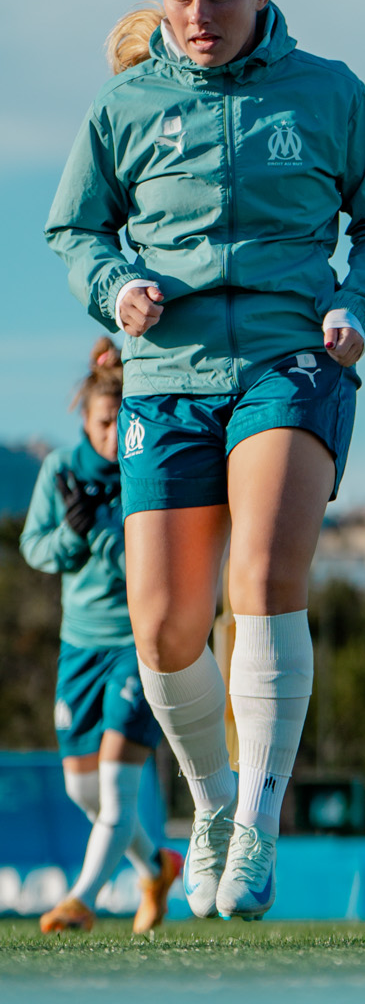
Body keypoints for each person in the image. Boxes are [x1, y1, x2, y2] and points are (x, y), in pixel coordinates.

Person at [47, 0, 365, 921]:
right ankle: (212, 801)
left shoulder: (328, 91)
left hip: (290, 361)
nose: (198, 16)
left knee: (260, 572)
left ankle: (257, 822)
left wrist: (358, 300)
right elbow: (76, 230)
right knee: (165, 625)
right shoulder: (125, 106)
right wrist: (114, 288)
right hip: (164, 378)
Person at [24, 339, 180, 935]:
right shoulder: (58, 471)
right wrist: (72, 535)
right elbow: (36, 549)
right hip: (79, 648)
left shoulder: (148, 470)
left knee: (116, 788)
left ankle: (80, 901)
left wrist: (108, 534)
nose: (115, 433)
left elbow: (157, 561)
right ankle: (156, 866)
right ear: (85, 419)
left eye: (124, 421)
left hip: (138, 646)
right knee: (84, 792)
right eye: (105, 422)